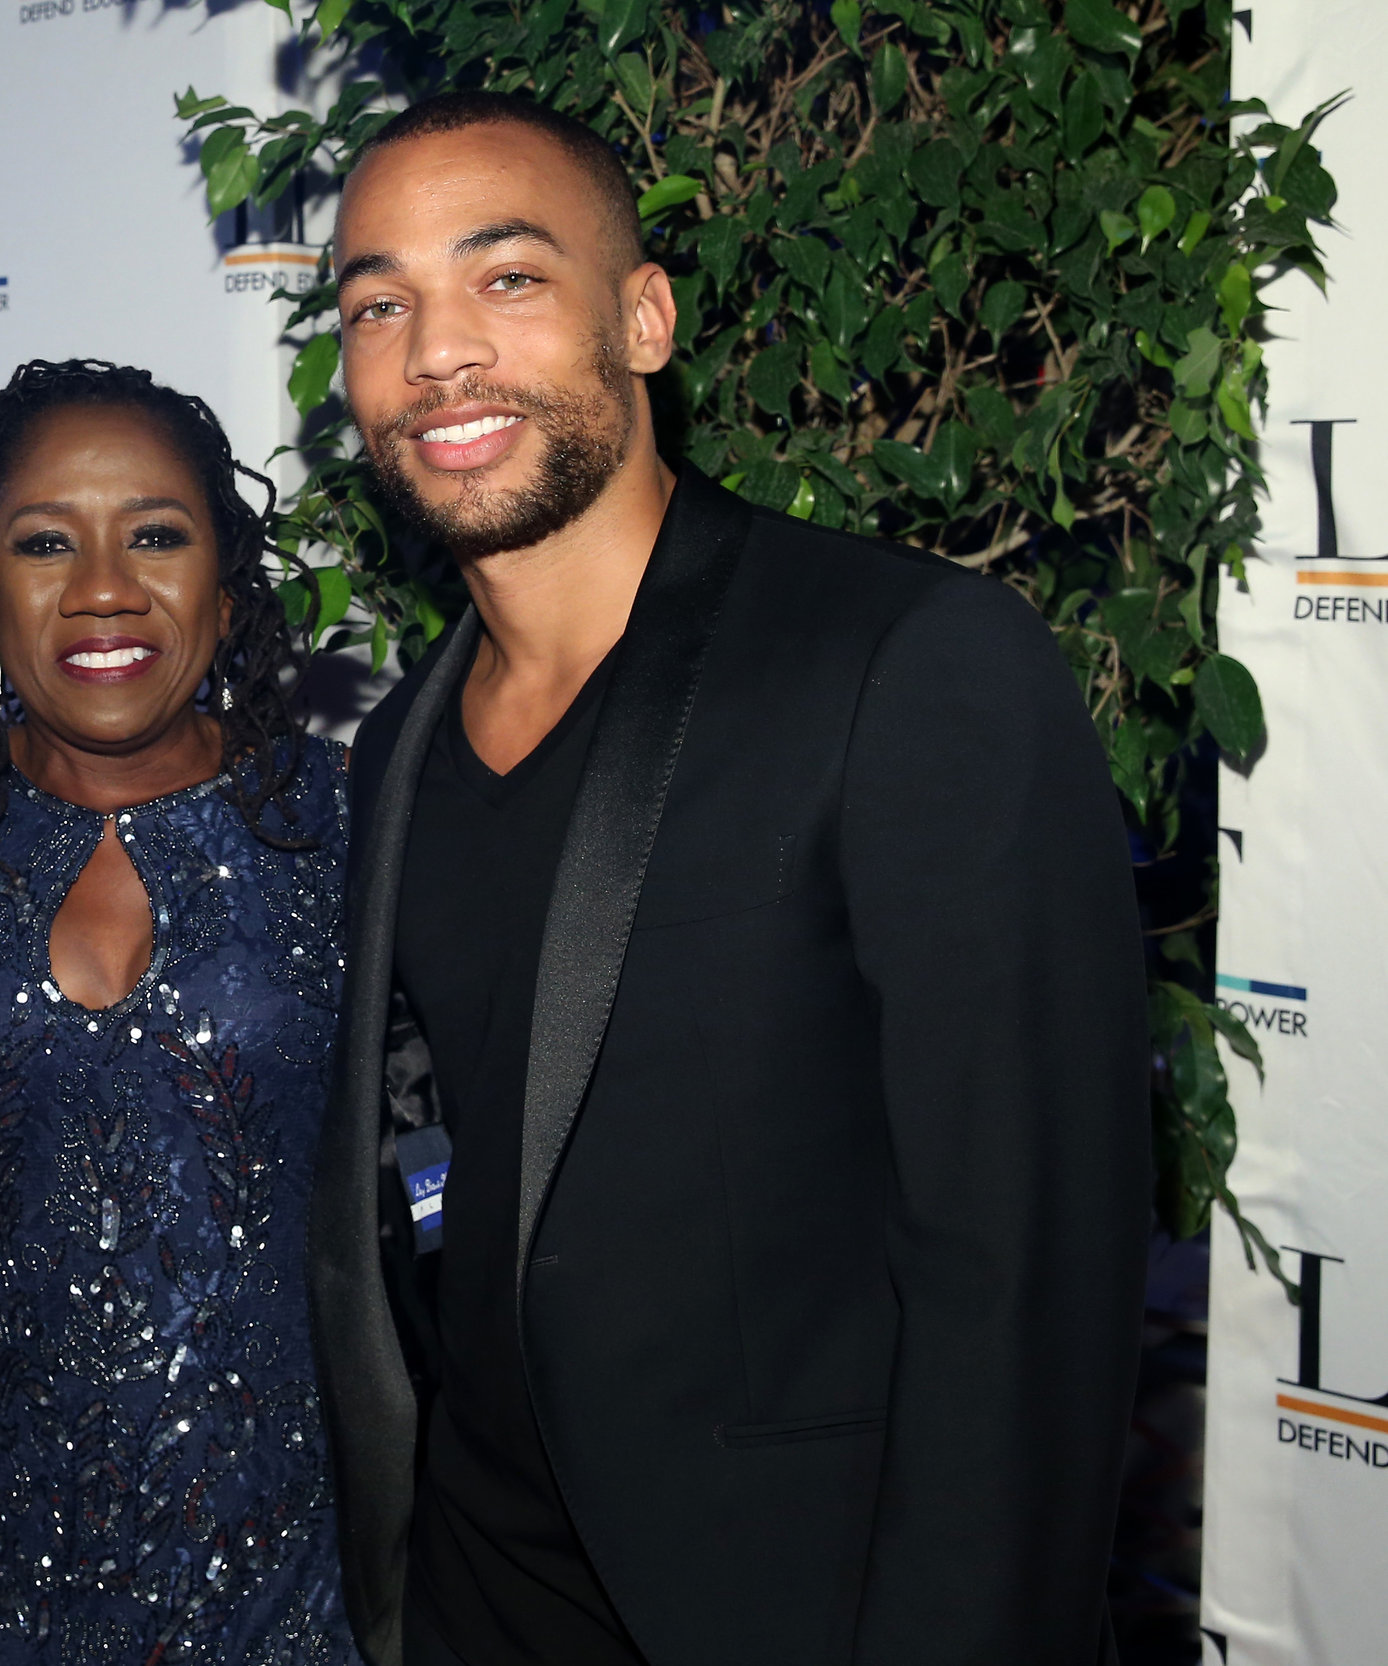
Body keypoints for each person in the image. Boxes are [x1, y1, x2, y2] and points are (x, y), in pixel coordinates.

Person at [306, 91, 1149, 1666]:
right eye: (379, 304)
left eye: (506, 278)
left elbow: (1027, 1299)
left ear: (643, 317)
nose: (435, 353)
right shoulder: (397, 747)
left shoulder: (903, 665)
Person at [0, 359, 360, 1665]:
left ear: (226, 583)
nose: (103, 588)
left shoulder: (345, 818)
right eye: (44, 543)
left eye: (155, 534)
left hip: (291, 1577)